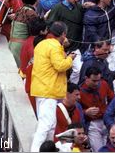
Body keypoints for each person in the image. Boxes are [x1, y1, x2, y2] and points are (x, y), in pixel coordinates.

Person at [30, 21, 75, 152]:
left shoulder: (42, 44)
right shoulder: (54, 46)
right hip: (48, 89)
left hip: (43, 88)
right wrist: (70, 58)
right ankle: (35, 150)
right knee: (46, 125)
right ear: (63, 34)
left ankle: (47, 149)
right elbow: (60, 65)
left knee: (50, 125)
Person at [79, 66, 115, 152]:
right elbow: (76, 109)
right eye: (94, 81)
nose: (96, 83)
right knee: (98, 150)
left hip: (106, 121)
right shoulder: (79, 91)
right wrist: (85, 112)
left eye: (98, 80)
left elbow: (113, 100)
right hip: (92, 124)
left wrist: (108, 112)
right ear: (86, 78)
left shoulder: (103, 84)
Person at [9, 0, 39, 67]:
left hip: (12, 44)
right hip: (21, 47)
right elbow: (35, 31)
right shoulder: (31, 13)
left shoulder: (20, 9)